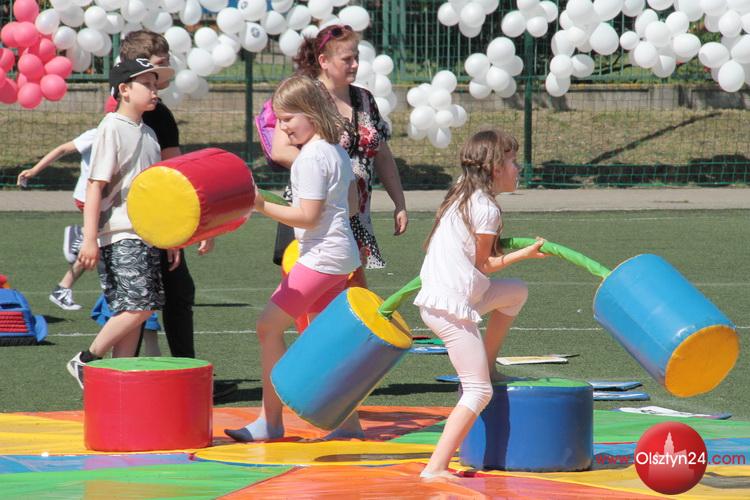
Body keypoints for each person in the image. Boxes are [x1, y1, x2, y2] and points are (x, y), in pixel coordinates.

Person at [225, 76, 360, 442]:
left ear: (311, 113)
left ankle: (270, 422)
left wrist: (260, 205)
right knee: (320, 340)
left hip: (321, 259)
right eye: (279, 120)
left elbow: (308, 217)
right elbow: (351, 204)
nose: (282, 128)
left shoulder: (311, 158)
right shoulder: (335, 150)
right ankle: (348, 423)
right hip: (339, 257)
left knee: (267, 327)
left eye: (287, 119)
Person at [413, 130, 548, 480]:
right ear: (495, 168)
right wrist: (525, 253)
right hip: (450, 305)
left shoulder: (463, 190)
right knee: (478, 390)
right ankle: (435, 467)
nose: (518, 168)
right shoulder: (485, 208)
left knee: (516, 292)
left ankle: (487, 363)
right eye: (513, 161)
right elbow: (484, 264)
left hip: (450, 295)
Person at [113, 31, 236, 399]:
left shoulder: (141, 111)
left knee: (155, 297)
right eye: (158, 68)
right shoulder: (139, 115)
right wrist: (180, 231)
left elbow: (171, 171)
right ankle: (122, 377)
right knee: (149, 300)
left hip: (143, 221)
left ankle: (167, 378)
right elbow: (170, 176)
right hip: (142, 224)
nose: (163, 78)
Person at [271, 24, 408, 287]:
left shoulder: (365, 99)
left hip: (355, 212)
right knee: (310, 294)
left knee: (349, 292)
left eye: (356, 57)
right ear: (324, 61)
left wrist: (399, 202)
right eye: (347, 59)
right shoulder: (306, 96)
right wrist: (334, 172)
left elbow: (382, 154)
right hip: (315, 212)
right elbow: (280, 149)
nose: (355, 64)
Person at [66, 58, 175, 388]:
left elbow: (155, 192)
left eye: (156, 85)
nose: (155, 91)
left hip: (147, 234)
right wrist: (89, 238)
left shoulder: (150, 134)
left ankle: (118, 387)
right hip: (121, 233)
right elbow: (95, 186)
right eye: (148, 84)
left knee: (133, 314)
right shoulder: (111, 127)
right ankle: (86, 359)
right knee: (140, 308)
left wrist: (169, 237)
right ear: (124, 89)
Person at [17, 128, 97, 310]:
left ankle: (63, 288)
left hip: (105, 199)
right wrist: (34, 170)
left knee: (99, 244)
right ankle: (81, 234)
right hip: (89, 198)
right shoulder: (99, 133)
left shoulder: (134, 131)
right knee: (97, 243)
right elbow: (63, 149)